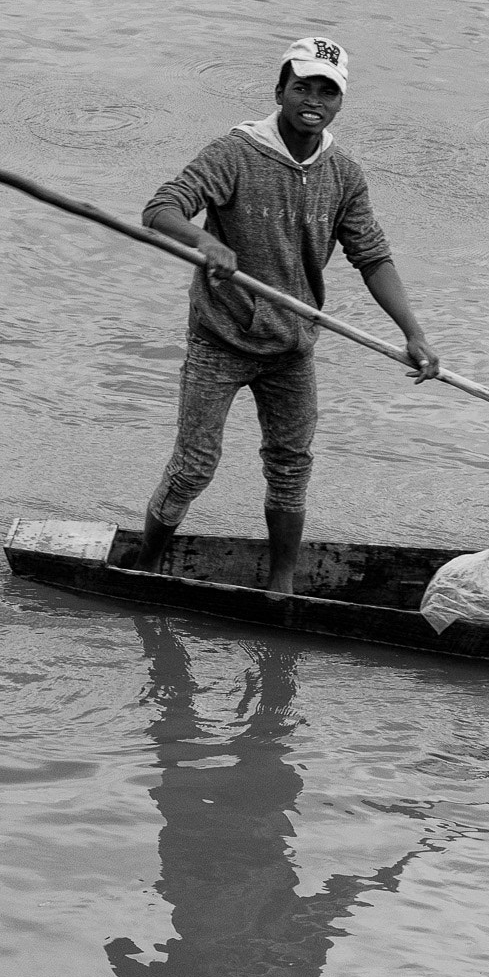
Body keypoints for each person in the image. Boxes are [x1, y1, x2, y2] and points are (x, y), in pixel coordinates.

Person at [135, 36, 441, 591]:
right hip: (220, 338)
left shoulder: (343, 173)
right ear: (280, 91)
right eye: (302, 86)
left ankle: (282, 586)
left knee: (291, 465)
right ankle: (145, 564)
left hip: (293, 345)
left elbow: (372, 256)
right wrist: (204, 242)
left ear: (340, 104)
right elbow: (160, 209)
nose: (313, 100)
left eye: (328, 92)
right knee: (195, 465)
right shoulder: (236, 154)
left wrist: (413, 333)